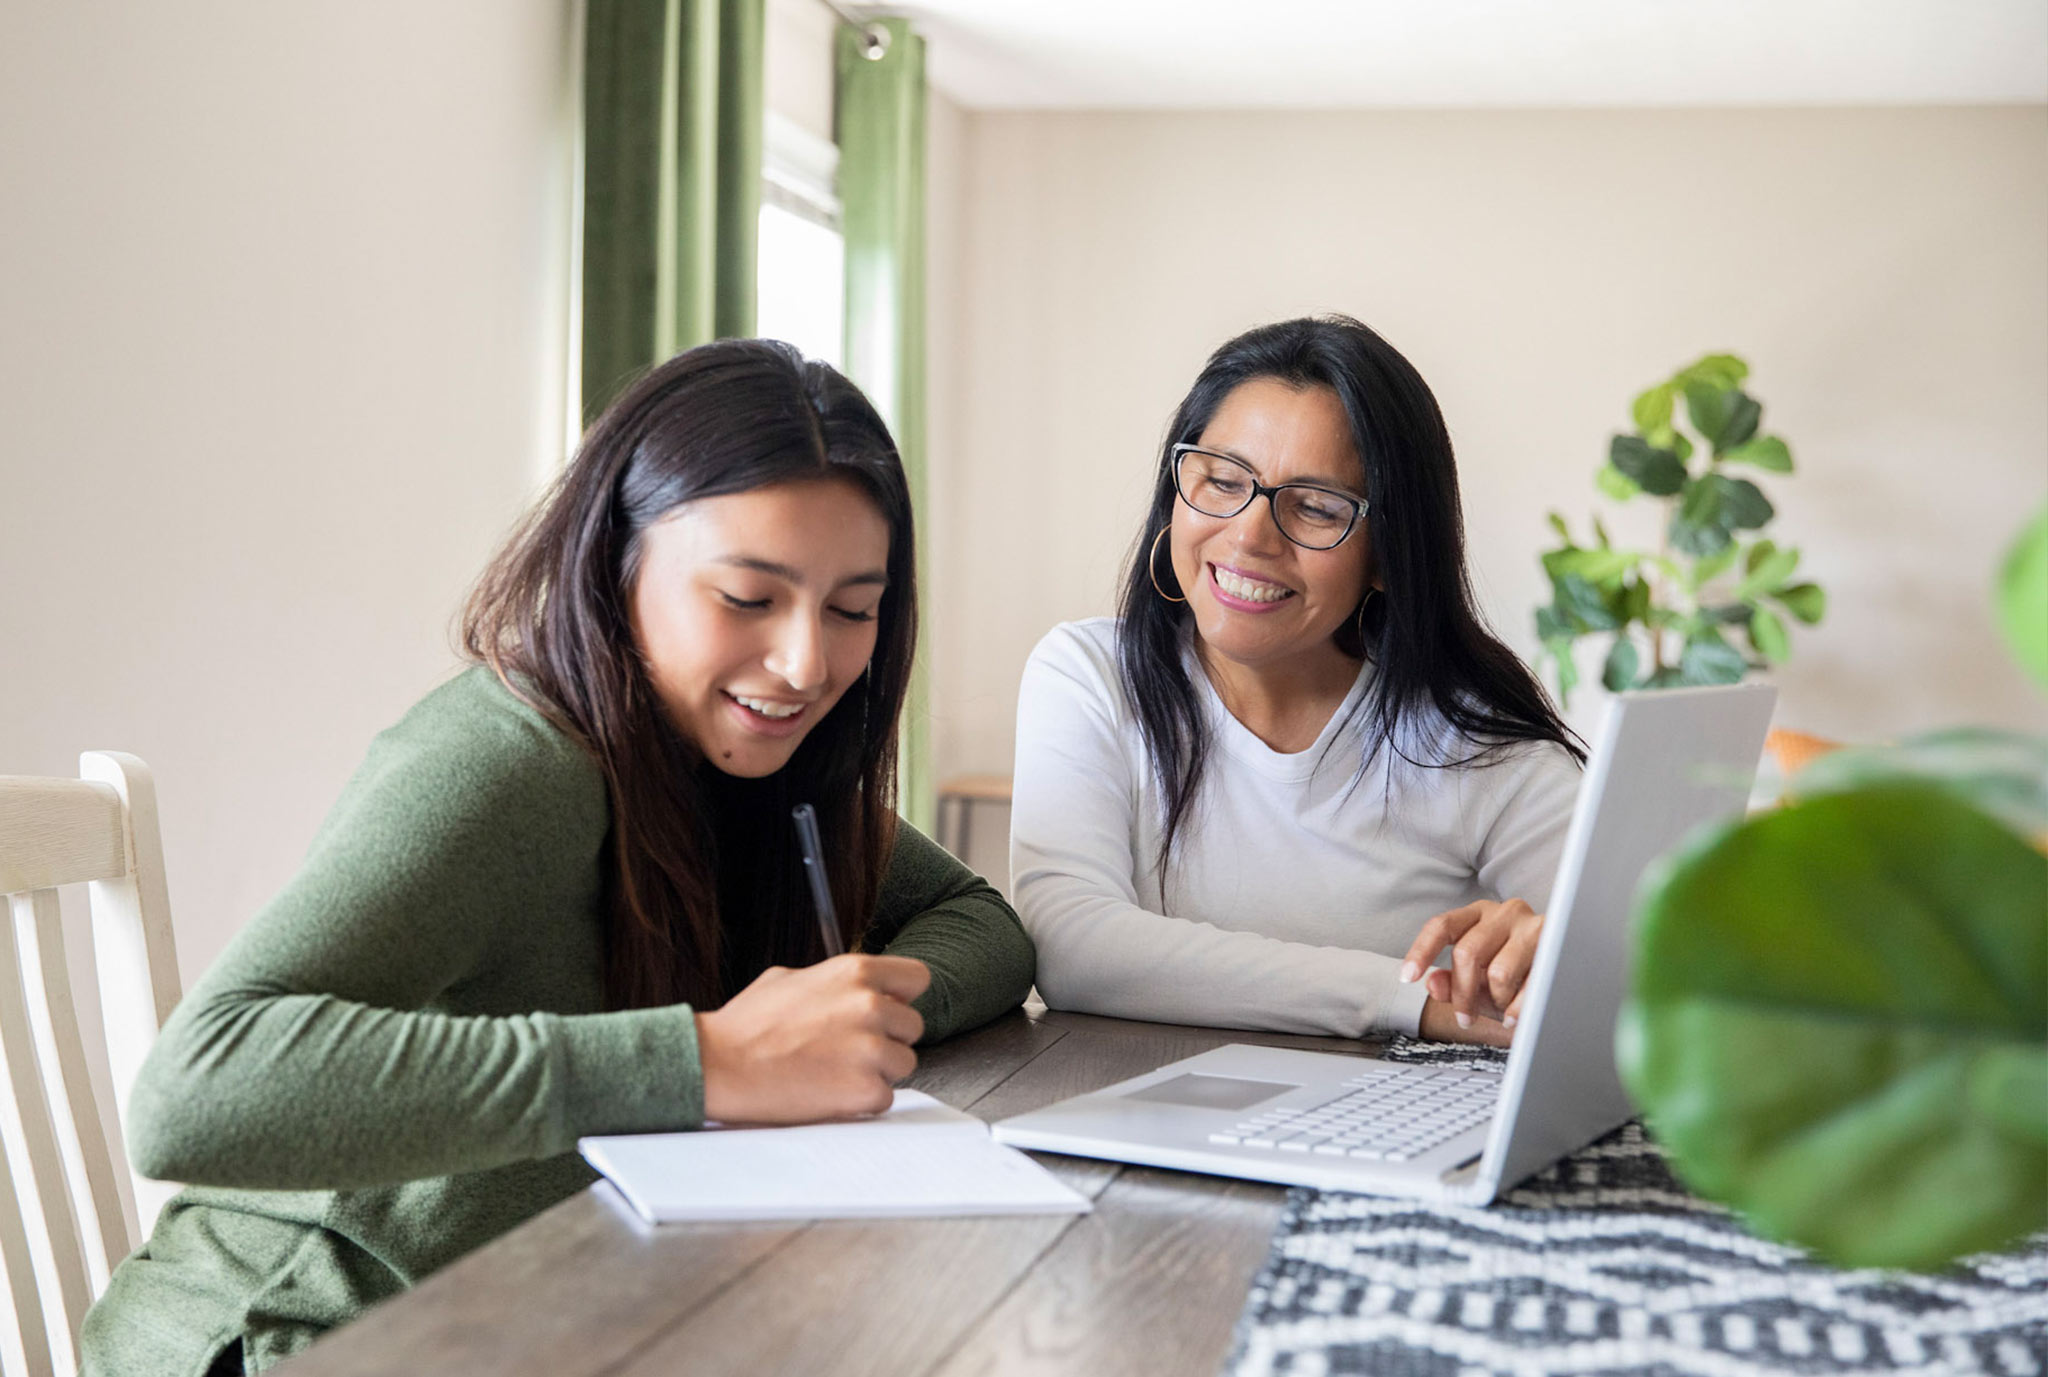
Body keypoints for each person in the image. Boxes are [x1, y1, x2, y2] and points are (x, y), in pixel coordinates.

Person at [82, 340, 1035, 1375]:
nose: (808, 663)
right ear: (616, 564)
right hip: (301, 1331)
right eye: (747, 599)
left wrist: (840, 1017)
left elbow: (983, 926)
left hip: (547, 1312)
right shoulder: (510, 763)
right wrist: (711, 1060)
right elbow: (194, 1092)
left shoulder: (751, 771)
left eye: (853, 610)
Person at [1009, 315, 1581, 1048]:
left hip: (1385, 1136)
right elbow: (1074, 948)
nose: (1250, 535)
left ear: (1388, 552)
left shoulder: (1471, 745)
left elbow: (1645, 965)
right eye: (1222, 480)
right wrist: (1410, 1002)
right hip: (1139, 1123)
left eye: (1314, 506)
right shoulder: (1089, 677)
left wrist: (1556, 949)